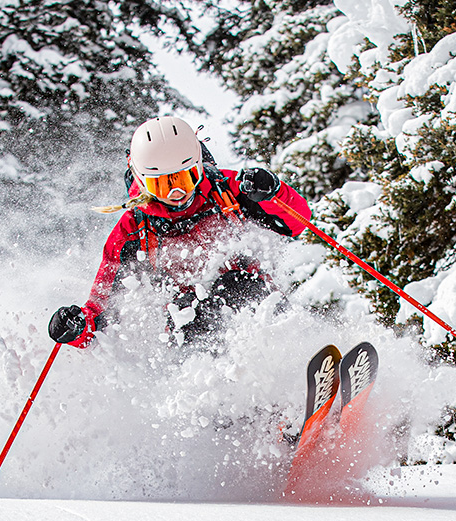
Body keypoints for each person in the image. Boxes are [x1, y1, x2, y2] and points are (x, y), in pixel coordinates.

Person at [48, 115, 312, 349]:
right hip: (189, 325)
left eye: (183, 179)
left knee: (240, 284)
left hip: (255, 300)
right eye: (161, 184)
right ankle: (226, 395)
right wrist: (78, 328)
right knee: (191, 307)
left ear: (197, 167)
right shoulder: (132, 230)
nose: (177, 193)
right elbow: (101, 310)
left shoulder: (228, 189)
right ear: (141, 181)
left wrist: (273, 192)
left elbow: (297, 223)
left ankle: (294, 361)